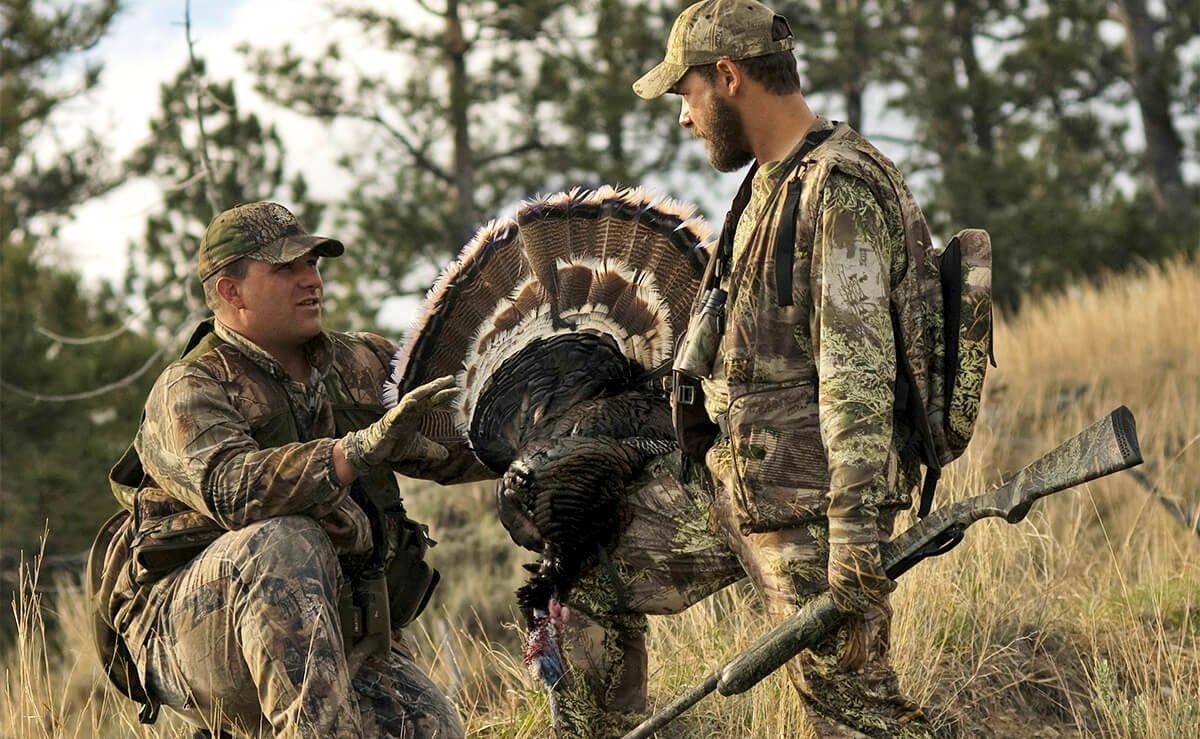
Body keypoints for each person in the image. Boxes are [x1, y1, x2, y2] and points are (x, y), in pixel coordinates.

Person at [546, 2, 937, 736]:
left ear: (728, 77)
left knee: (859, 719)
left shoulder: (837, 189)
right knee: (584, 585)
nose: (684, 118)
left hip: (813, 515)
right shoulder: (767, 182)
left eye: (685, 94)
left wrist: (853, 540)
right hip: (734, 488)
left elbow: (858, 377)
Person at [88, 201, 472, 738]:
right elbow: (232, 488)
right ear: (230, 291)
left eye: (314, 264)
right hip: (190, 635)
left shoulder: (361, 363)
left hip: (331, 632)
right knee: (282, 541)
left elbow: (465, 436)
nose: (311, 280)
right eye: (286, 268)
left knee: (426, 726)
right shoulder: (189, 388)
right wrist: (354, 451)